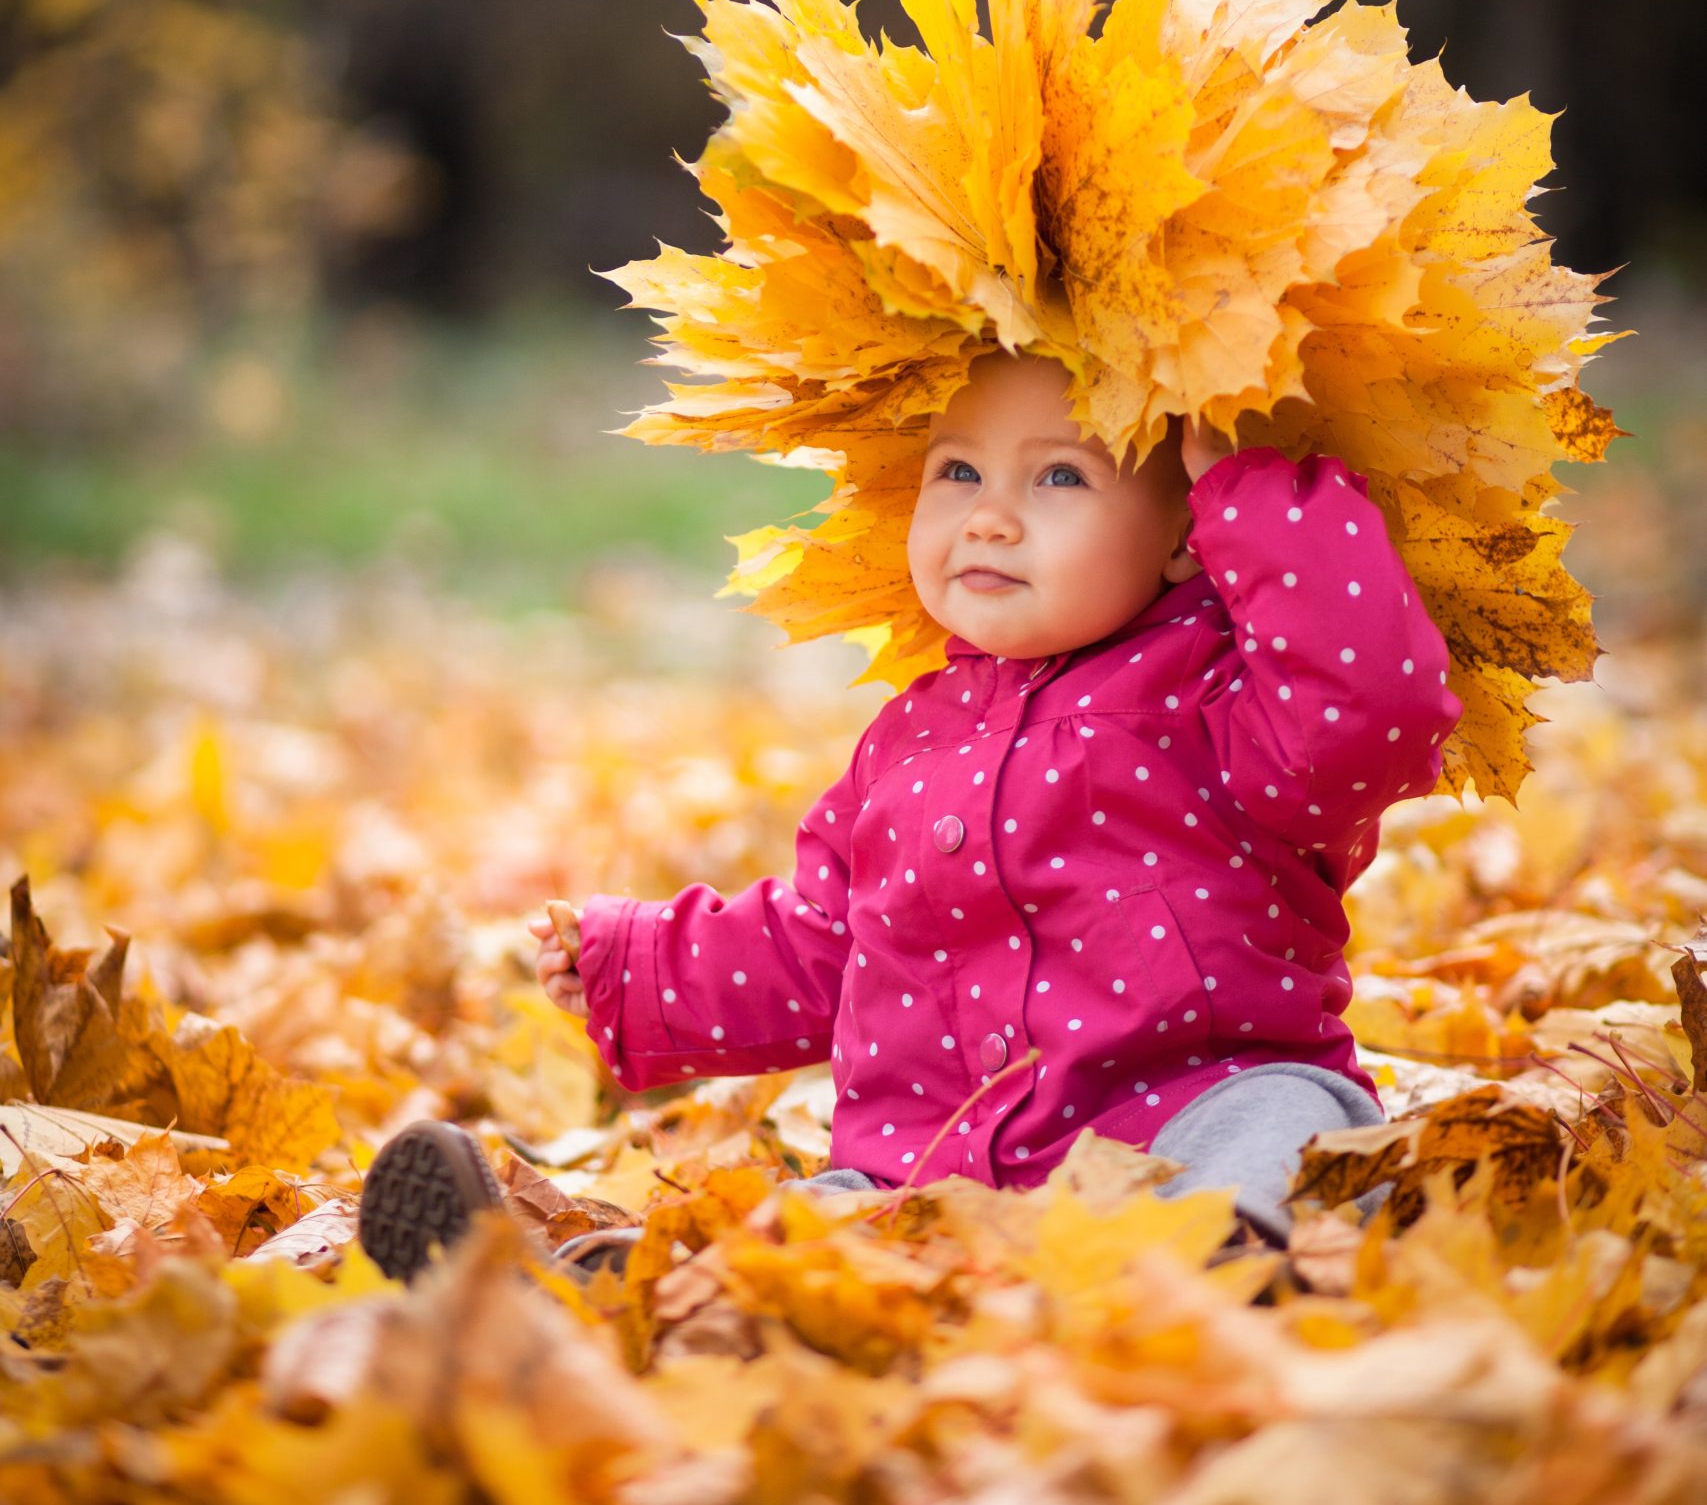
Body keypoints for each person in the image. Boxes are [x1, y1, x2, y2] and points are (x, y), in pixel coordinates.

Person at [358, 341, 1459, 1285]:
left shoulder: (1226, 701)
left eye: (1061, 478)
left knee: (1283, 1126)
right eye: (960, 470)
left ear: (1185, 534)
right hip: (938, 1168)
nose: (989, 515)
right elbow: (824, 944)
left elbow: (1370, 716)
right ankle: (602, 1289)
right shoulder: (911, 743)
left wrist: (1256, 491)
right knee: (804, 1225)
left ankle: (1225, 1270)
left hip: (1180, 1117)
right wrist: (642, 968)